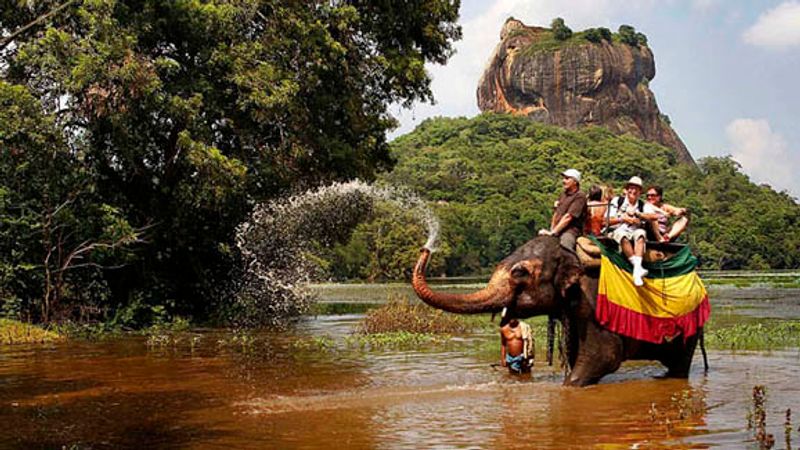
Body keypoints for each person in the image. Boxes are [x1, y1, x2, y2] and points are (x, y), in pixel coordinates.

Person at [607, 176, 658, 286]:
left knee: (641, 234)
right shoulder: (617, 201)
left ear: (640, 192)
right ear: (627, 189)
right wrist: (623, 218)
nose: (633, 191)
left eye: (636, 189)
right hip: (618, 230)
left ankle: (636, 270)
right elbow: (606, 221)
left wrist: (637, 215)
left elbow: (654, 216)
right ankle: (638, 267)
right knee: (622, 235)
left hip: (635, 231)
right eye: (631, 188)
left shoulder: (642, 204)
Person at [539, 168, 587, 250]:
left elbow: (568, 217)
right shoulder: (563, 194)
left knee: (565, 245)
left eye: (567, 178)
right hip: (557, 229)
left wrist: (553, 233)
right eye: (564, 178)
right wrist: (552, 230)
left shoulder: (580, 196)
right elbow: (556, 213)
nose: (563, 181)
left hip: (571, 231)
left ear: (575, 182)